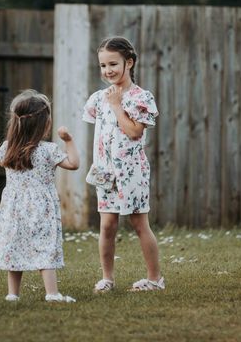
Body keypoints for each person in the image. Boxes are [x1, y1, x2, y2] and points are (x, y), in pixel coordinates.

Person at [0, 89, 79, 303]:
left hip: (13, 208)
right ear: (45, 124)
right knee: (45, 246)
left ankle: (12, 294)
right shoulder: (49, 150)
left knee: (15, 245)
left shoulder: (8, 148)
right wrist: (69, 140)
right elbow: (74, 164)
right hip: (41, 207)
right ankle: (52, 293)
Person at [83, 36, 165, 293]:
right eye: (103, 65)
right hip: (105, 172)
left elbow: (133, 133)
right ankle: (107, 278)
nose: (108, 71)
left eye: (113, 64)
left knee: (139, 224)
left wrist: (117, 106)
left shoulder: (141, 97)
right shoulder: (98, 98)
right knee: (107, 226)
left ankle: (154, 279)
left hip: (132, 172)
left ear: (129, 63)